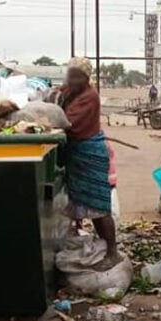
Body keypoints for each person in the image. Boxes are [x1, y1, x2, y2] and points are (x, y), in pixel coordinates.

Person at [58, 57, 121, 270]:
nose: (71, 80)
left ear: (86, 78)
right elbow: (57, 96)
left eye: (76, 76)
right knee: (89, 207)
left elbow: (68, 121)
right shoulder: (72, 91)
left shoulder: (89, 97)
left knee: (99, 205)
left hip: (89, 153)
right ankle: (104, 246)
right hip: (77, 154)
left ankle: (112, 252)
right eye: (70, 75)